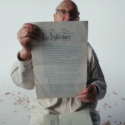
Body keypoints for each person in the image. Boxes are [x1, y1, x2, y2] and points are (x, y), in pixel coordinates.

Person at [10, 0, 107, 125]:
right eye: (63, 12)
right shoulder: (37, 45)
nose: (68, 17)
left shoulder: (86, 48)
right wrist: (25, 52)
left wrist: (95, 89)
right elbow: (25, 84)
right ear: (54, 17)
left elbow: (100, 83)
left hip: (81, 111)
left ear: (78, 19)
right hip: (46, 111)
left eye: (73, 13)